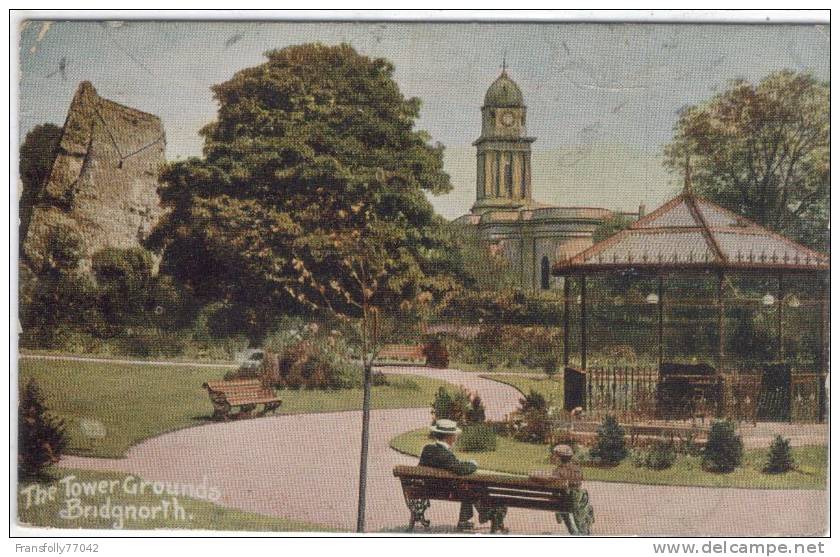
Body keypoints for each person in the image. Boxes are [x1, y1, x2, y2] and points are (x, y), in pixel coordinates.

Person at [419, 419, 485, 531]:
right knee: (469, 486)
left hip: (425, 488)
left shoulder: (427, 449)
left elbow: (455, 465)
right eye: (454, 435)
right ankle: (485, 513)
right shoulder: (445, 454)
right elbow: (460, 469)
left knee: (466, 485)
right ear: (449, 437)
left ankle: (466, 520)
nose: (456, 437)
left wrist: (464, 464)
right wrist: (473, 464)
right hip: (444, 491)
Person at [549, 444, 593, 535]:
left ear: (559, 458)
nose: (553, 457)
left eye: (554, 456)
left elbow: (554, 487)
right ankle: (584, 524)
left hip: (561, 502)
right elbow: (579, 481)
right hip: (575, 501)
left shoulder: (557, 471)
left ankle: (572, 529)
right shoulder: (577, 469)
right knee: (582, 497)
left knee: (563, 505)